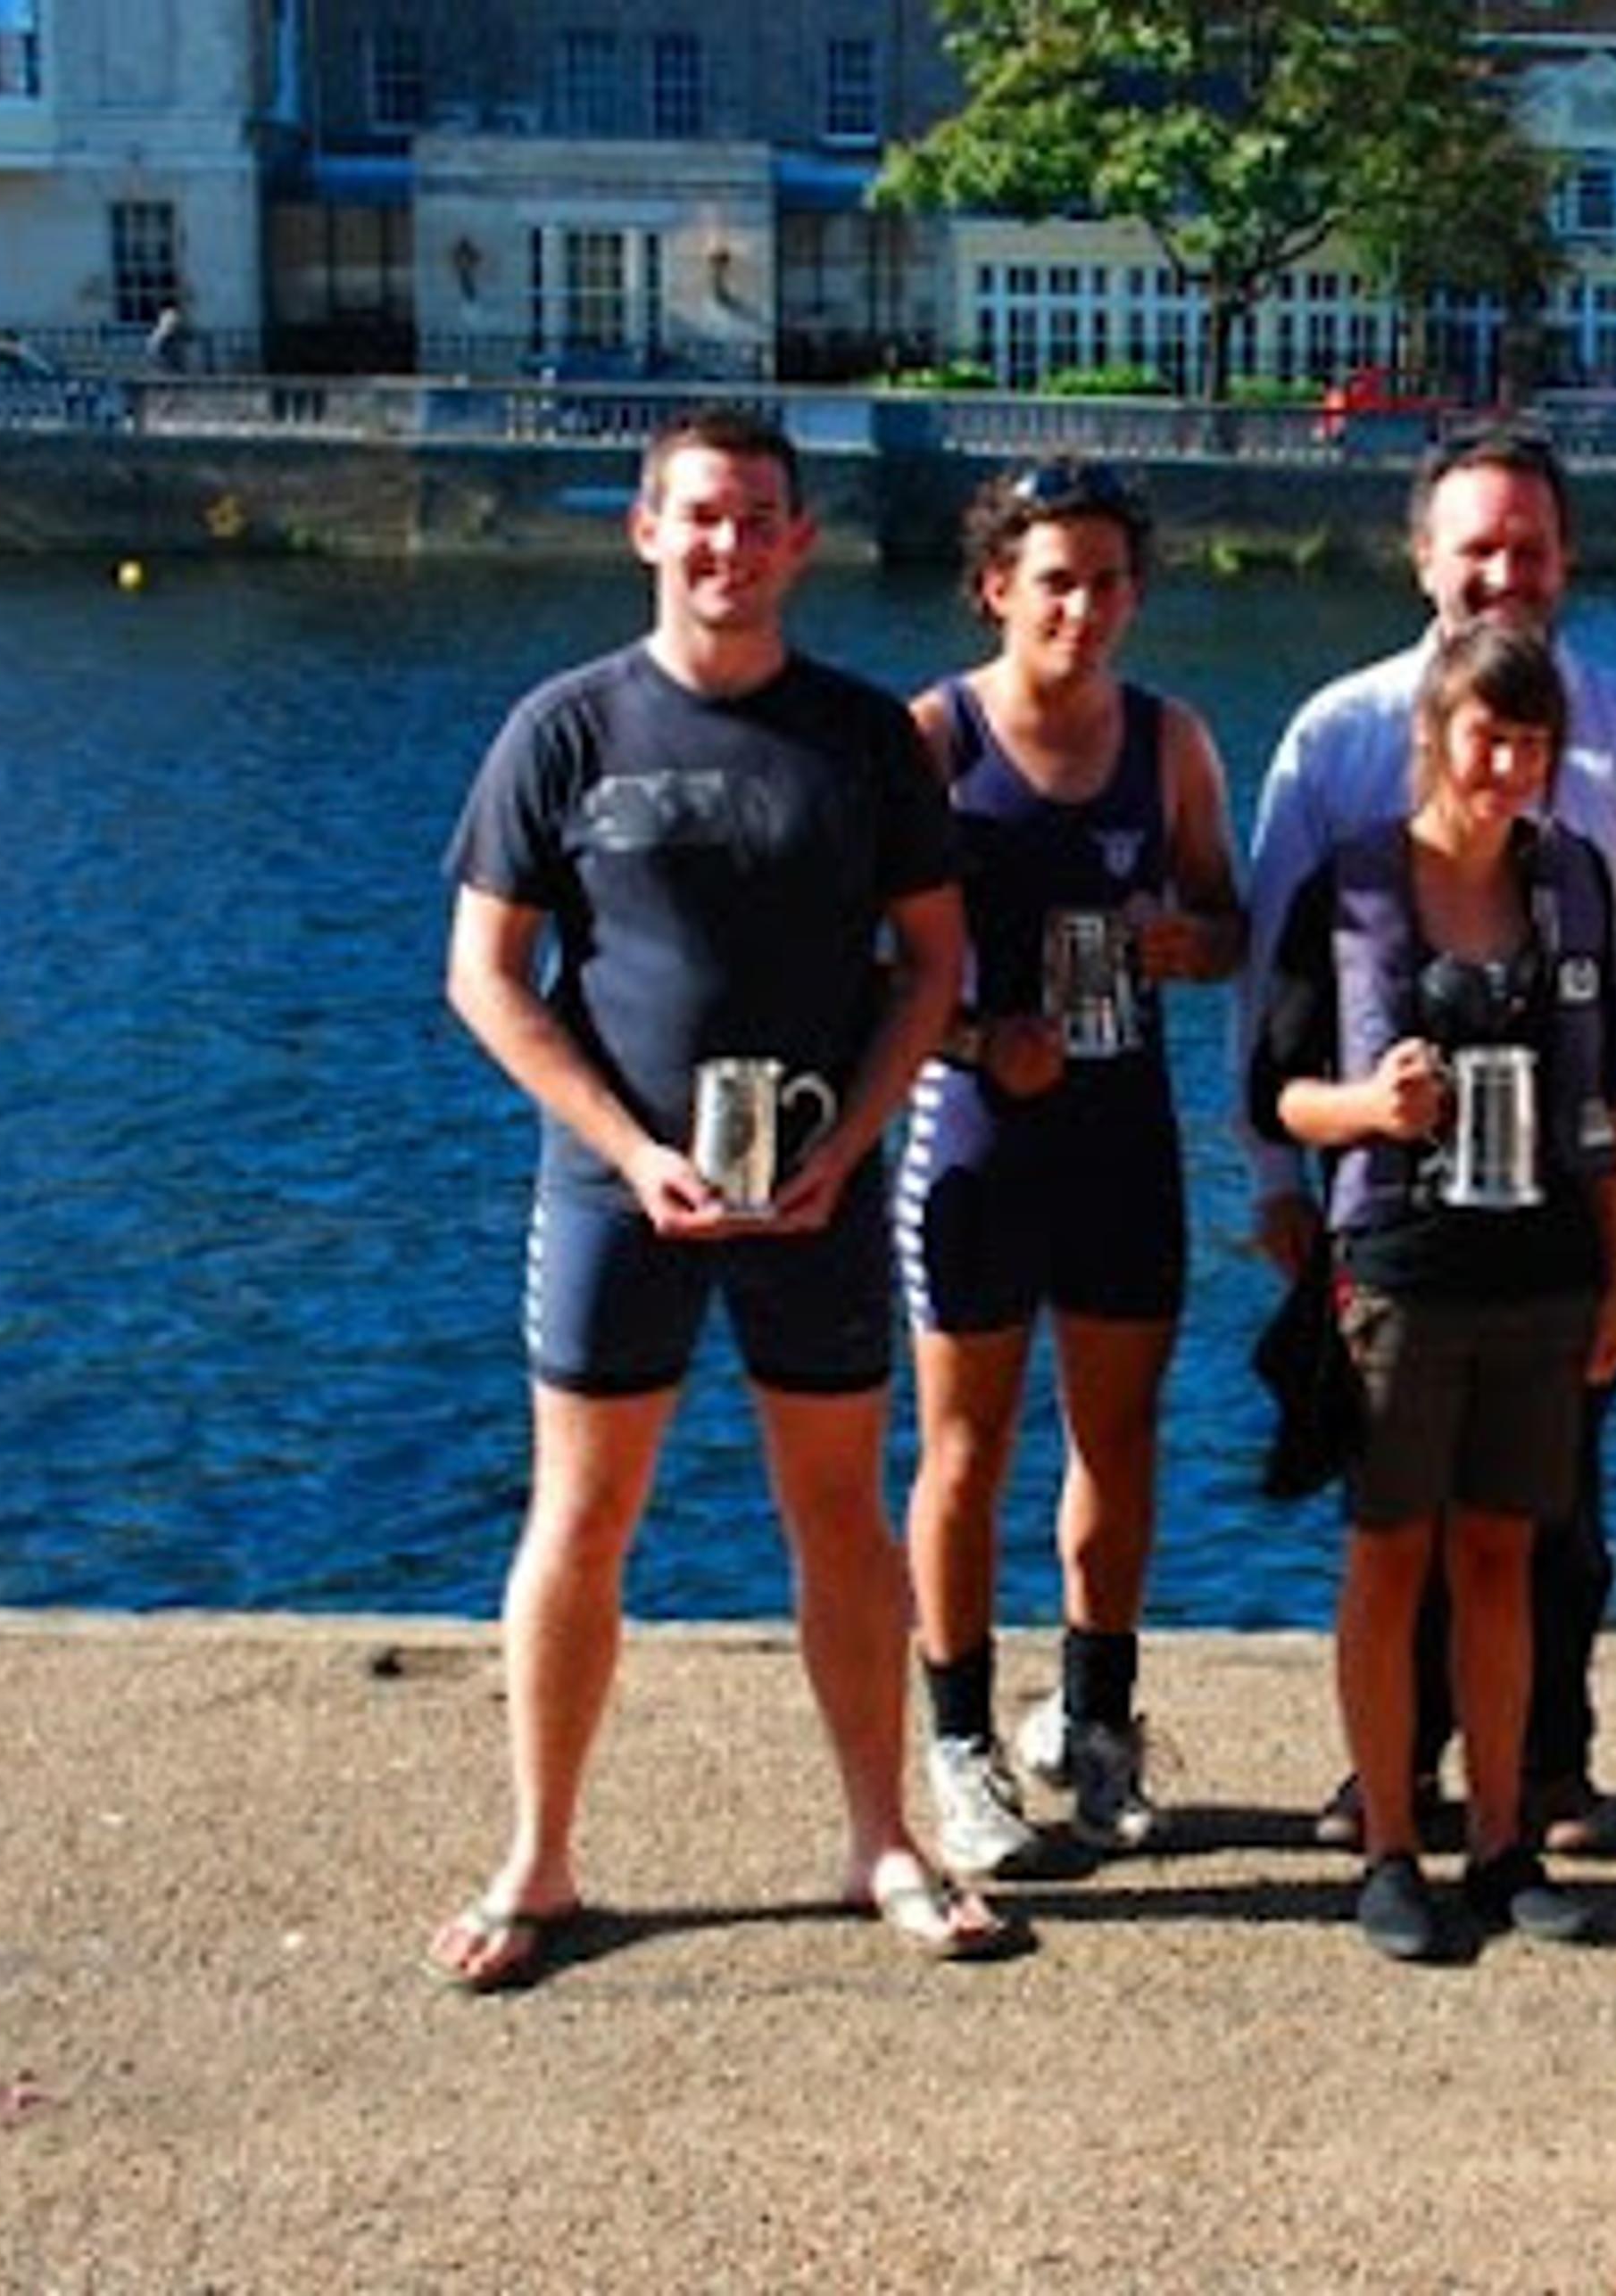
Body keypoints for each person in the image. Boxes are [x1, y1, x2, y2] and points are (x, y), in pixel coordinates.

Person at [426, 405, 1007, 1988]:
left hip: (817, 1187)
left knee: (838, 1509)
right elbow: (486, 976)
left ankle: (881, 1835)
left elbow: (932, 964)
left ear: (800, 541)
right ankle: (541, 1854)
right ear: (645, 530)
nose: (727, 545)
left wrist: (851, 1139)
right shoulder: (565, 730)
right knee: (583, 1513)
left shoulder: (865, 739)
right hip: (617, 1191)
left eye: (758, 517)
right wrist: (628, 1149)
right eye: (699, 515)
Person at [1239, 420, 1616, 1854]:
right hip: (1387, 1207)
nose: (1504, 574)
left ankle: (1546, 1766)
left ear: (1567, 558)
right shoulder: (1336, 738)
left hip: (1563, 1199)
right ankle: (1394, 1772)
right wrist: (1275, 1177)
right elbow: (1273, 992)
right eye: (1478, 549)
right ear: (1423, 559)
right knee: (1392, 1501)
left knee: (1553, 1504)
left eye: (1531, 548)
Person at [1249, 619, 1616, 1960]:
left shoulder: (1573, 880)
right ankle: (1388, 1848)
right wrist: (1370, 1106)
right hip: (1403, 1270)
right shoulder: (1352, 886)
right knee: (1388, 1551)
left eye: (1535, 744)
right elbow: (1276, 1094)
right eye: (1489, 738)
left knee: (1502, 1554)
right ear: (1433, 734)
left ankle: (1501, 1844)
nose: (1510, 768)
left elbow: (1604, 1101)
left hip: (1544, 1270)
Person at [894, 458, 1244, 1875]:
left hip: (1122, 1136)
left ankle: (1097, 1720)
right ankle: (960, 1744)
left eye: (1108, 583)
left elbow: (1229, 920)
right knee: (964, 1448)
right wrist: (981, 1039)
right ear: (996, 587)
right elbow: (867, 962)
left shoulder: (1171, 741)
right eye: (1055, 582)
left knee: (1120, 1438)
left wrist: (1187, 943)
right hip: (979, 1131)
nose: (1082, 610)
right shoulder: (934, 736)